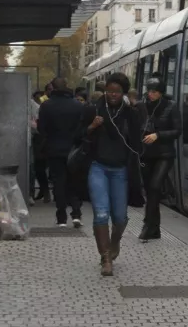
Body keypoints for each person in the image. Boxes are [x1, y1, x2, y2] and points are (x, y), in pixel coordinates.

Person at [80, 73, 144, 276]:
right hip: (97, 167)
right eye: (109, 91)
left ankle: (115, 241)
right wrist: (92, 127)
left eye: (117, 92)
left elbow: (137, 144)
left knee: (119, 217)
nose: (112, 95)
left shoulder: (131, 113)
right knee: (100, 212)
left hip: (120, 171)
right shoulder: (93, 109)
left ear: (123, 93)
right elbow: (77, 135)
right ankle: (105, 258)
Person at [138, 74, 182, 241]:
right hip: (146, 153)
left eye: (154, 91)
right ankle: (155, 228)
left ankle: (148, 224)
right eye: (149, 91)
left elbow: (177, 130)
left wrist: (158, 135)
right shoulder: (141, 106)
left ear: (161, 93)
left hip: (164, 153)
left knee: (156, 186)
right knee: (150, 190)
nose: (151, 94)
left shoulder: (171, 106)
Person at [37, 77, 84, 227]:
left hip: (54, 149)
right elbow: (82, 129)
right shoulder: (77, 105)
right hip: (74, 150)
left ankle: (61, 217)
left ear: (52, 87)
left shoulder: (46, 106)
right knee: (74, 181)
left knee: (59, 182)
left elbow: (41, 129)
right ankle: (76, 213)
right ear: (67, 86)